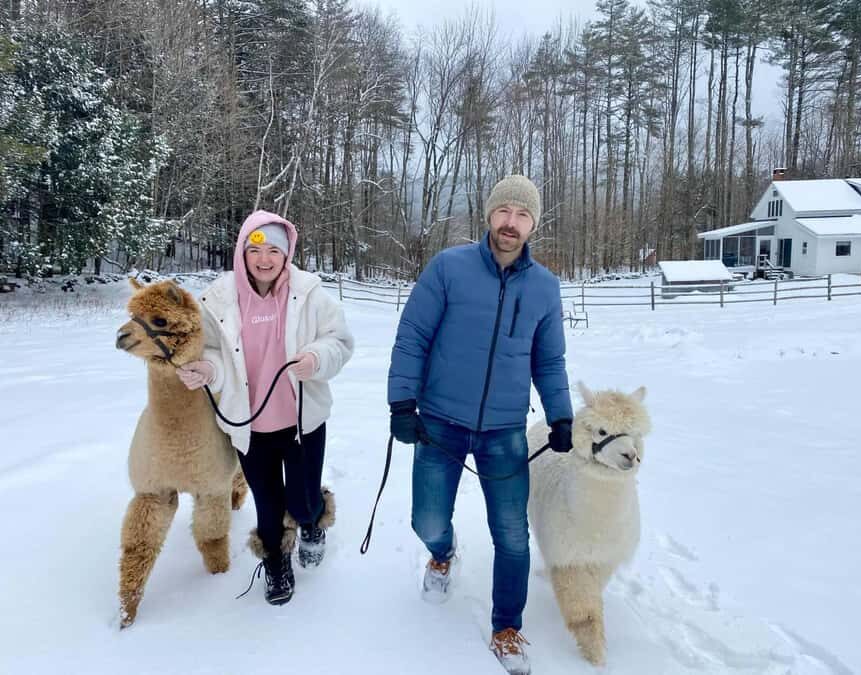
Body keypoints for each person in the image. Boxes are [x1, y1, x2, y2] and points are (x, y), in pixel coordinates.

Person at [387, 175, 573, 674]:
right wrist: (402, 401)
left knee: (512, 536)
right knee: (425, 519)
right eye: (504, 211)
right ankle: (442, 552)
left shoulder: (544, 288)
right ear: (489, 214)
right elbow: (413, 337)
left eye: (523, 215)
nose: (511, 223)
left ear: (534, 224)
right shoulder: (449, 268)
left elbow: (549, 361)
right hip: (440, 422)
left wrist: (560, 415)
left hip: (505, 430)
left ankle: (507, 627)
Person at [177, 210, 353, 605]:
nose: (265, 258)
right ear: (242, 249)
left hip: (301, 421)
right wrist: (207, 370)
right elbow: (211, 352)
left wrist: (316, 358)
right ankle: (275, 560)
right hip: (249, 426)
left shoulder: (310, 293)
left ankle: (312, 521)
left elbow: (339, 341)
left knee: (302, 503)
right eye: (256, 248)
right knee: (268, 504)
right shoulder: (219, 298)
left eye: (275, 249)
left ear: (287, 253)